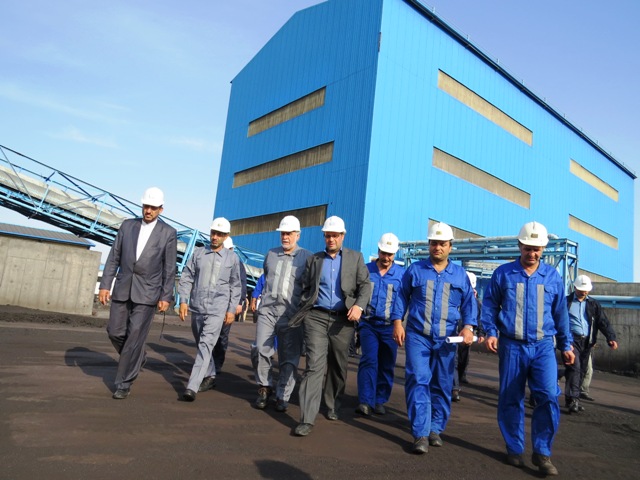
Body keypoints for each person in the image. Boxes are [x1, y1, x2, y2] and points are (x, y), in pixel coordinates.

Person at [482, 221, 575, 476]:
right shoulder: (504, 274)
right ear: (519, 246)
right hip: (512, 345)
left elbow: (560, 314)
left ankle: (542, 452)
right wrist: (490, 332)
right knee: (510, 397)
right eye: (527, 248)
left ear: (543, 249)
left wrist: (566, 345)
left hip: (543, 346)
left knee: (548, 395)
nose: (532, 253)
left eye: (536, 249)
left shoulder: (552, 277)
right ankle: (514, 448)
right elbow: (490, 305)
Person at [391, 222, 477, 454]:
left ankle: (435, 428)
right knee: (418, 380)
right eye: (434, 243)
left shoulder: (460, 275)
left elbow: (469, 304)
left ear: (450, 246)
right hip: (418, 336)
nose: (437, 247)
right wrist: (397, 323)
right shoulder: (415, 270)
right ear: (429, 245)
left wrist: (468, 327)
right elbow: (401, 296)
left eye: (442, 244)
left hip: (447, 339)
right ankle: (420, 433)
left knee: (442, 383)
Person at [289, 216, 372, 436]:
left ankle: (333, 403)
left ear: (342, 236)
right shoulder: (314, 260)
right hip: (316, 318)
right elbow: (306, 286)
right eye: (328, 236)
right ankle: (307, 418)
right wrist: (306, 307)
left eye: (335, 235)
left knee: (338, 364)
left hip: (343, 320)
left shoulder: (355, 258)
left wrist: (359, 306)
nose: (331, 239)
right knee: (314, 366)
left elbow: (365, 286)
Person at [98, 187, 177, 400]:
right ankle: (137, 358)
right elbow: (114, 256)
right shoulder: (127, 226)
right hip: (123, 287)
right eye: (146, 206)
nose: (148, 211)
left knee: (134, 337)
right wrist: (105, 285)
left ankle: (123, 382)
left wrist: (166, 296)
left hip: (148, 293)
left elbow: (169, 268)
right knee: (114, 331)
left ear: (161, 209)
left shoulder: (168, 233)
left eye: (153, 208)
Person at [178, 217, 241, 401]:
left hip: (217, 309)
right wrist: (183, 300)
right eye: (213, 233)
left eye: (220, 234)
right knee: (201, 343)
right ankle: (210, 374)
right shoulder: (199, 253)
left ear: (226, 236)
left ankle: (192, 386)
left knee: (206, 344)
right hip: (197, 307)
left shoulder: (232, 258)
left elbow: (235, 285)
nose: (215, 237)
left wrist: (231, 310)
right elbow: (187, 276)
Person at [253, 215, 312, 412]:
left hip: (291, 315)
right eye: (283, 233)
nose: (285, 237)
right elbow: (266, 277)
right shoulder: (271, 254)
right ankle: (264, 387)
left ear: (298, 235)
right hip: (268, 311)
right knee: (260, 349)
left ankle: (282, 395)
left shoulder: (307, 257)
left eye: (289, 233)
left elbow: (310, 288)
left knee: (289, 358)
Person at [355, 233, 405, 417]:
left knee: (386, 363)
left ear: (395, 254)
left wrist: (399, 324)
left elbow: (404, 301)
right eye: (383, 253)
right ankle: (365, 401)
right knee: (369, 360)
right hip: (368, 324)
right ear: (378, 251)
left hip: (390, 326)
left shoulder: (401, 275)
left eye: (390, 254)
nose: (386, 257)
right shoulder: (366, 270)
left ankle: (380, 400)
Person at [564, 275, 618, 413]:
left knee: (582, 369)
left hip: (587, 342)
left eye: (586, 289)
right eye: (582, 289)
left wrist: (610, 337)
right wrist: (563, 341)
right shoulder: (566, 302)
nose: (584, 292)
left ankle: (573, 399)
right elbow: (559, 321)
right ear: (575, 287)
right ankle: (573, 400)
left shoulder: (593, 304)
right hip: (571, 340)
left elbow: (602, 322)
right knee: (575, 368)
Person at [213, 236, 247, 373]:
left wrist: (239, 303)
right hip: (213, 303)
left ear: (232, 249)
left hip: (228, 305)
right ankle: (207, 363)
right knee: (209, 333)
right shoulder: (214, 259)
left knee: (222, 335)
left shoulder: (238, 264)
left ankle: (217, 363)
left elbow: (241, 283)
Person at [452, 271, 485, 402]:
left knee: (462, 360)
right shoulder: (454, 296)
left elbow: (479, 318)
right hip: (453, 334)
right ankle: (454, 388)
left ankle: (460, 378)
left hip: (466, 335)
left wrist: (481, 332)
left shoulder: (475, 302)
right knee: (453, 360)